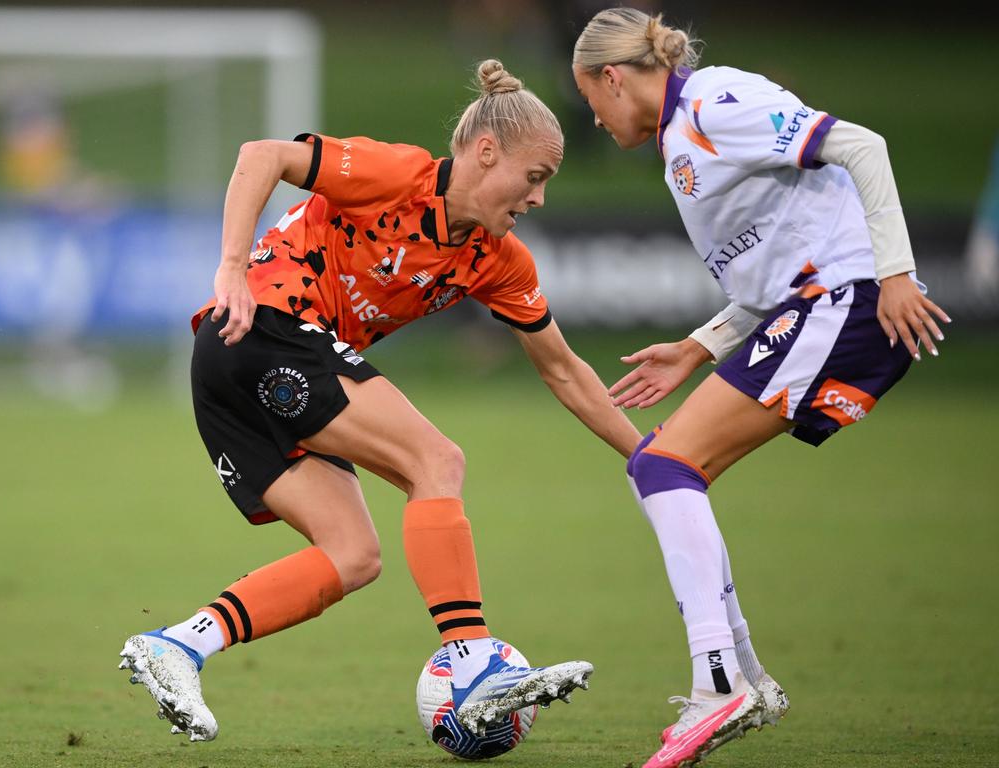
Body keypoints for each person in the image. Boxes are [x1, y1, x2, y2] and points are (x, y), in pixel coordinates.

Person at [117, 59, 642, 743]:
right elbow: (262, 156)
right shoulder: (399, 176)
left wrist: (654, 459)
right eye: (534, 177)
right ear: (486, 153)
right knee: (436, 459)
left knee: (353, 554)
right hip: (259, 328)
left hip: (240, 368)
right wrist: (232, 269)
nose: (538, 198)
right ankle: (476, 665)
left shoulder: (499, 260)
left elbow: (567, 373)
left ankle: (178, 646)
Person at [572, 9, 950, 768]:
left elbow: (860, 146)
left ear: (614, 77)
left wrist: (896, 273)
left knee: (663, 467)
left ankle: (720, 686)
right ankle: (741, 678)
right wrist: (698, 346)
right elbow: (768, 278)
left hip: (848, 302)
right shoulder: (680, 144)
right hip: (817, 305)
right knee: (665, 468)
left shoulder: (715, 102)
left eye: (590, 98)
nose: (592, 115)